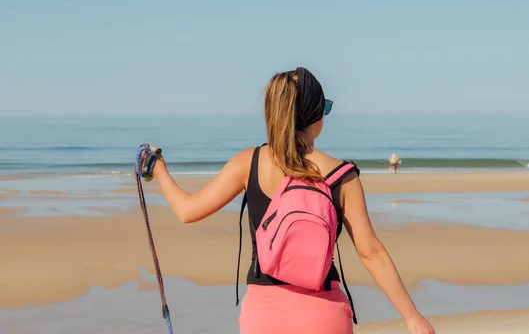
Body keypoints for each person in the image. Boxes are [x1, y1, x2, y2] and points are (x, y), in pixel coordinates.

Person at [145, 67, 435, 334]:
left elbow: (187, 210)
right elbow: (371, 252)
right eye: (326, 107)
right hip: (324, 314)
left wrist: (158, 168)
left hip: (263, 316)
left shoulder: (249, 163)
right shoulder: (342, 175)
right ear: (315, 116)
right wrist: (411, 316)